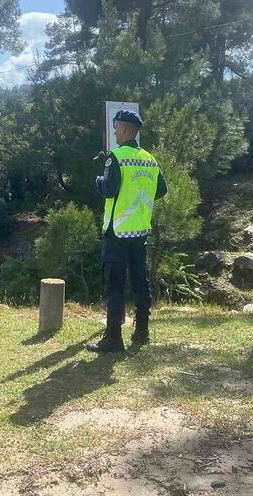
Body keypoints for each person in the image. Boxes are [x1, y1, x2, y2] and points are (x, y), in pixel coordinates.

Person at [87, 110, 167, 354]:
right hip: (139, 230)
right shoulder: (150, 159)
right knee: (141, 283)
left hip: (117, 231)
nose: (114, 133)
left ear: (122, 129)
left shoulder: (116, 157)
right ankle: (142, 331)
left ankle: (113, 338)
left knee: (115, 284)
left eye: (115, 129)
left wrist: (99, 179)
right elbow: (161, 189)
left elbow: (109, 190)